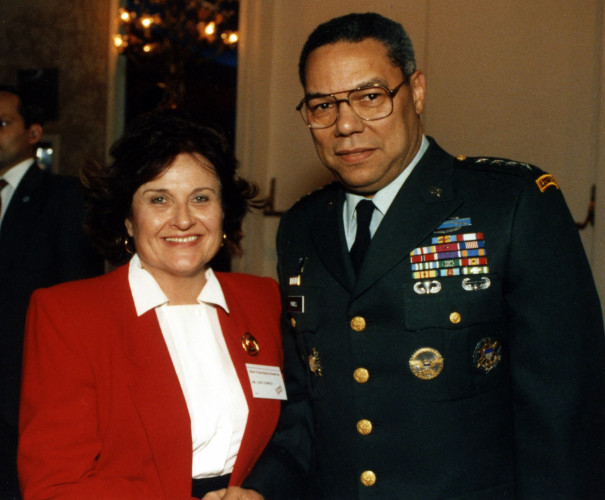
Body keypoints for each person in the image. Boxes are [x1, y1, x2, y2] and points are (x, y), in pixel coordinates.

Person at [232, 12, 604, 500]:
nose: (345, 124)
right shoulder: (302, 228)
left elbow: (566, 416)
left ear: (417, 91)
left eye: (370, 97)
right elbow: (306, 405)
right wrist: (261, 490)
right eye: (322, 105)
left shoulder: (508, 206)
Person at [18, 110, 285, 499]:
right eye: (159, 199)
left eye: (201, 198)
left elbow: (295, 434)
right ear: (127, 218)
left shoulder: (262, 299)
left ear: (224, 211)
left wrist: (262, 492)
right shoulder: (68, 315)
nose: (183, 219)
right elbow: (53, 487)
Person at [0, 84, 104, 498]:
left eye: (3, 123)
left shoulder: (64, 197)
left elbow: (79, 300)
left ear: (33, 133)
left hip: (25, 394)